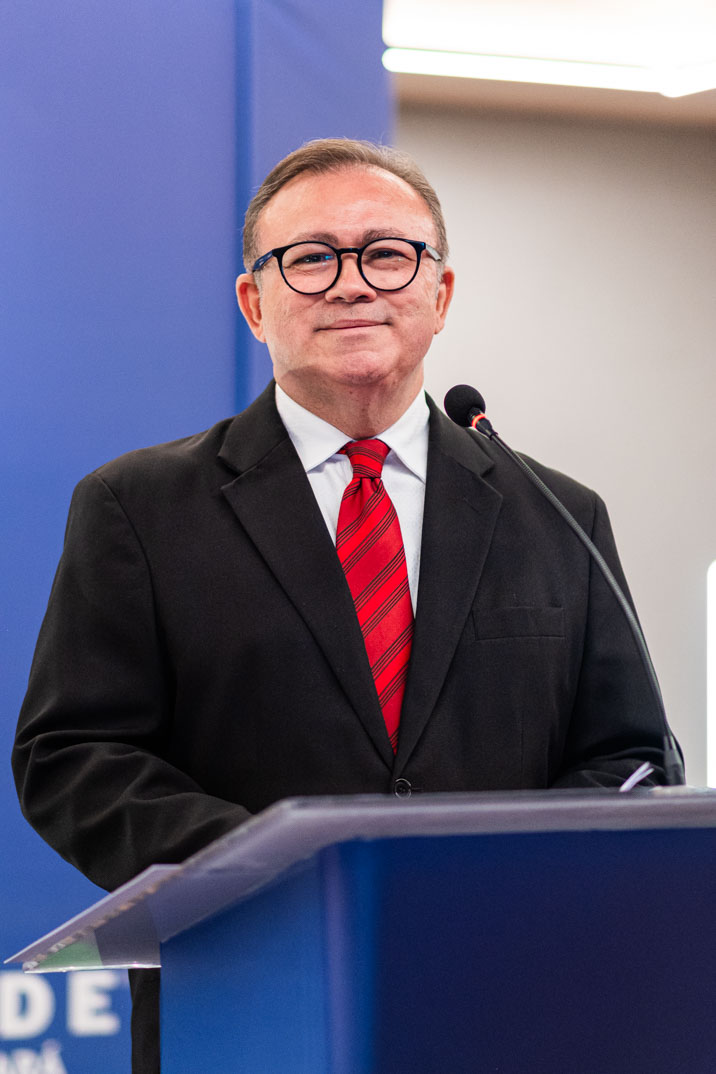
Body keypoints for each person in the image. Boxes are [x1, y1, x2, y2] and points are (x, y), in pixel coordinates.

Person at [12, 138, 677, 1073]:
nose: (354, 284)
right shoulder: (139, 507)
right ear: (255, 302)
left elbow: (631, 755)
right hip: (246, 1006)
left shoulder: (560, 513)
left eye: (387, 254)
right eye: (312, 258)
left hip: (510, 996)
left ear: (440, 293)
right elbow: (74, 756)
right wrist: (282, 870)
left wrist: (493, 875)